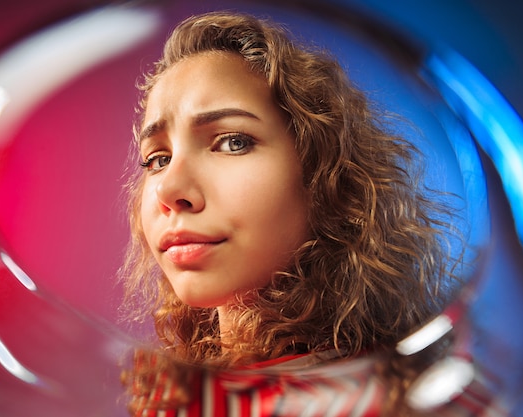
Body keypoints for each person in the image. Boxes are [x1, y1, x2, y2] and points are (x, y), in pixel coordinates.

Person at [120, 10, 465, 416]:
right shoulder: (179, 397)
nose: (170, 190)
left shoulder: (400, 401)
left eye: (232, 142)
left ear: (327, 176)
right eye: (157, 159)